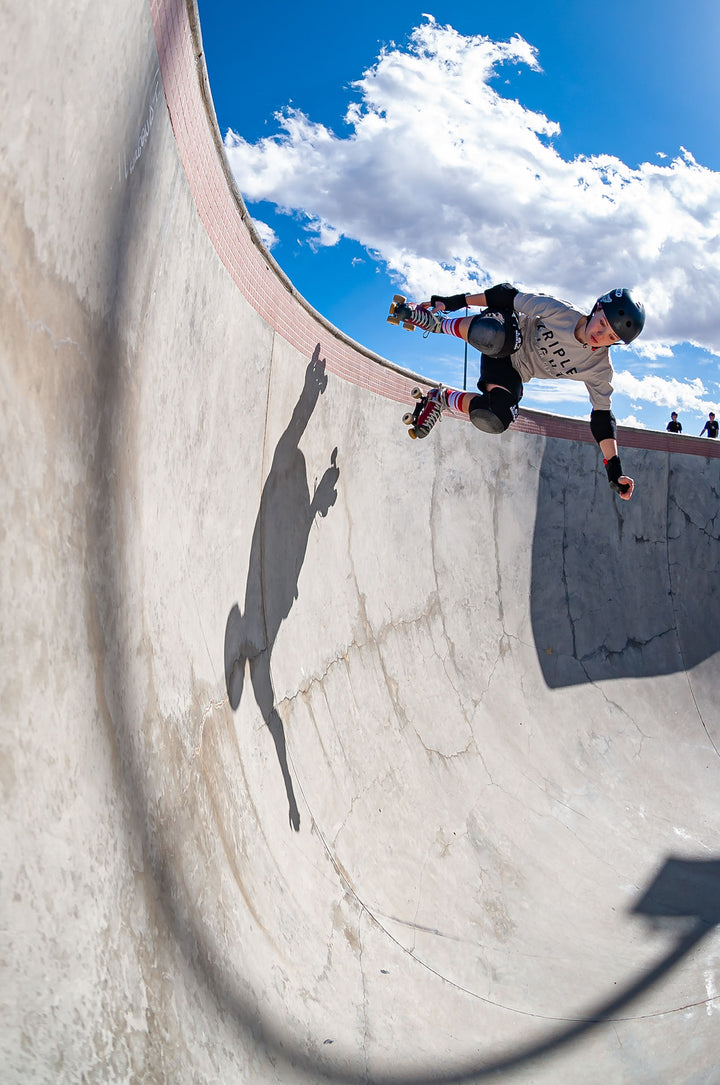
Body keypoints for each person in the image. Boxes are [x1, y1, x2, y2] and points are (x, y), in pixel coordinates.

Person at [388, 284, 645, 500]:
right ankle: (437, 323)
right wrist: (453, 301)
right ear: (597, 308)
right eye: (602, 325)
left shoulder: (599, 369)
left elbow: (602, 418)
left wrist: (615, 471)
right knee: (497, 334)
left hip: (509, 372)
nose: (600, 336)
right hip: (503, 329)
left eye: (611, 337)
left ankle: (441, 398)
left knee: (497, 416)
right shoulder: (561, 312)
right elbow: (505, 295)